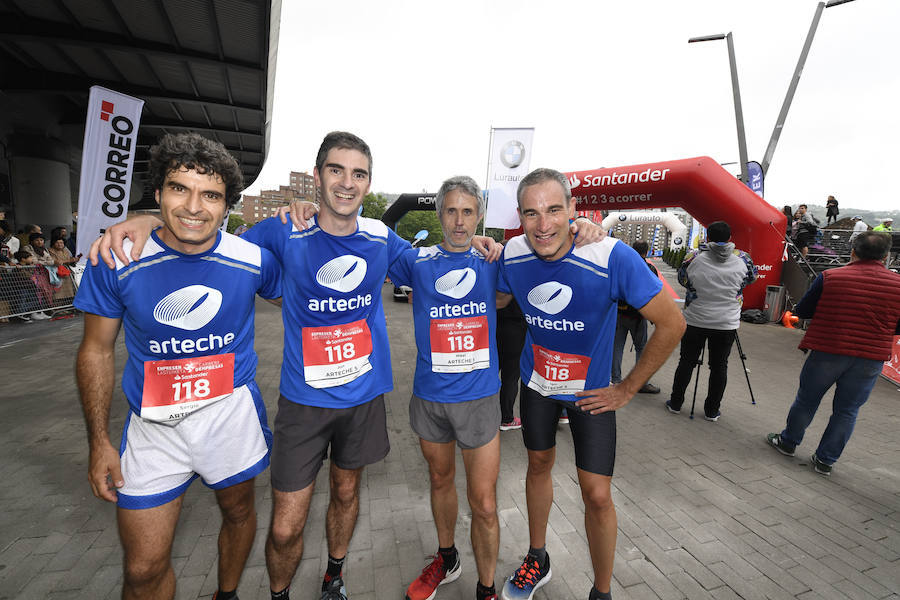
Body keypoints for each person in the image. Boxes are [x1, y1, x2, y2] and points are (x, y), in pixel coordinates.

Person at [75, 132, 281, 600]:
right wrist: (99, 441)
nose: (193, 206)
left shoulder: (252, 260)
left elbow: (307, 296)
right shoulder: (117, 257)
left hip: (230, 417)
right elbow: (95, 350)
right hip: (154, 429)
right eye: (179, 189)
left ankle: (227, 594)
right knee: (142, 570)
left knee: (239, 514)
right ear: (158, 193)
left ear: (226, 205)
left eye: (210, 195)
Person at [495, 168, 684, 600]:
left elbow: (673, 323)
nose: (543, 224)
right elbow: (500, 296)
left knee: (597, 495)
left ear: (573, 209)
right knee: (537, 466)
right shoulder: (513, 254)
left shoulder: (611, 255)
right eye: (531, 213)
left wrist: (627, 387)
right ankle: (538, 558)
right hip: (538, 385)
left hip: (591, 394)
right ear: (520, 217)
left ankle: (602, 592)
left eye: (554, 210)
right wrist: (478, 251)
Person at [389, 176, 503, 600]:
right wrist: (309, 212)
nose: (459, 221)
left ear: (479, 216)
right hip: (431, 397)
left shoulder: (494, 261)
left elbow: (548, 250)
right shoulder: (416, 262)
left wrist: (586, 227)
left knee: (484, 503)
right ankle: (447, 557)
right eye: (451, 211)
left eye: (467, 212)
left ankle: (487, 588)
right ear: (439, 215)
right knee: (440, 480)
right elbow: (359, 236)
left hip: (478, 398)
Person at [766, 232, 900, 475]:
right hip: (870, 357)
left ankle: (788, 442)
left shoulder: (830, 277)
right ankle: (825, 460)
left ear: (853, 252)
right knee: (848, 410)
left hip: (828, 350)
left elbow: (803, 311)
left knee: (807, 400)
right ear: (885, 256)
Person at [666, 221, 757, 421]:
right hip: (726, 322)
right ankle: (712, 411)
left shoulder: (693, 257)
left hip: (695, 319)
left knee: (687, 361)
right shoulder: (743, 258)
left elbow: (683, 279)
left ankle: (676, 403)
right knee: (719, 366)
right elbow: (751, 279)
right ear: (730, 237)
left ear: (707, 237)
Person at [610, 240, 661, 394]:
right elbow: (654, 293)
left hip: (620, 314)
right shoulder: (649, 269)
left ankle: (615, 380)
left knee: (617, 347)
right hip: (638, 316)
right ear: (646, 252)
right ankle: (641, 383)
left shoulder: (621, 267)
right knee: (642, 349)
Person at [497, 298, 526, 430]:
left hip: (494, 326)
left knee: (488, 375)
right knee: (510, 378)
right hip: (517, 331)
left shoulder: (495, 285)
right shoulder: (522, 285)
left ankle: (477, 416)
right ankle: (506, 419)